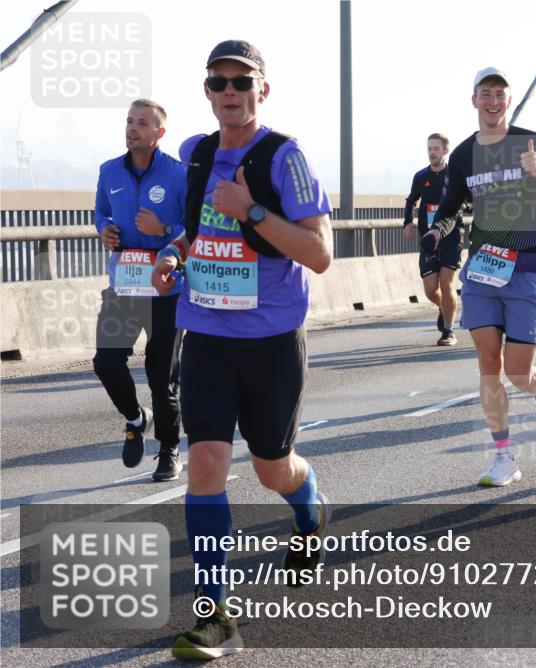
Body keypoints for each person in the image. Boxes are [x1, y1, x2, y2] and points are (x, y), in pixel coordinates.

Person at [151, 40, 333, 659]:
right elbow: (194, 227)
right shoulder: (194, 153)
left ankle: (309, 510)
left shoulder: (286, 157)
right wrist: (173, 256)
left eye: (241, 81)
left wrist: (251, 208)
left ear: (262, 90)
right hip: (204, 333)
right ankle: (215, 614)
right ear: (206, 91)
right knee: (204, 463)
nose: (230, 90)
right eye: (218, 81)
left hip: (271, 341)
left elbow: (319, 253)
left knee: (270, 467)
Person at [422, 67, 536, 487]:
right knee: (489, 364)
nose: (493, 101)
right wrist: (437, 229)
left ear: (509, 101)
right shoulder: (463, 155)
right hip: (483, 268)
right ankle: (503, 456)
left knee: (518, 372)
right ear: (474, 100)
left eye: (500, 94)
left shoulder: (532, 143)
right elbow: (452, 204)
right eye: (486, 93)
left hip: (526, 266)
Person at [93, 99, 186, 482]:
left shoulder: (178, 175)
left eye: (142, 123)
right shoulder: (109, 170)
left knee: (160, 374)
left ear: (159, 133)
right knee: (106, 361)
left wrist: (161, 232)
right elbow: (100, 212)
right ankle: (135, 420)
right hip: (125, 285)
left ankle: (168, 447)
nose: (132, 128)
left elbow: (191, 228)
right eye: (129, 121)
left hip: (166, 287)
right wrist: (104, 230)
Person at [404, 133, 462, 345]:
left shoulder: (454, 176)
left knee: (447, 285)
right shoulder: (421, 177)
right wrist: (408, 222)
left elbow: (462, 202)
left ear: (445, 151)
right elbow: (411, 200)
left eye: (436, 148)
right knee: (430, 289)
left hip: (451, 236)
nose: (432, 152)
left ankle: (448, 331)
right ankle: (445, 307)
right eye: (429, 149)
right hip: (428, 238)